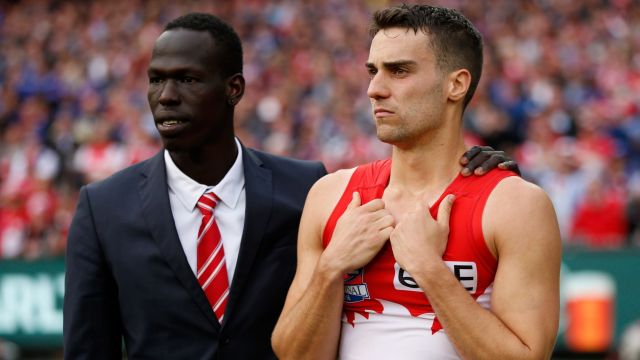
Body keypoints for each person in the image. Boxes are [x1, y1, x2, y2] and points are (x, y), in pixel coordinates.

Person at [63, 12, 517, 360]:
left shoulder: (308, 186)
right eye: (156, 80)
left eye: (186, 79)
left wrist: (480, 167)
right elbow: (88, 348)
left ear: (234, 89)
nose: (166, 96)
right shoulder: (103, 207)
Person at [272, 4, 561, 360]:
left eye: (399, 71)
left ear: (456, 84)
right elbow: (293, 355)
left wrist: (429, 270)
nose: (374, 90)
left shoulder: (515, 206)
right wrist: (331, 268)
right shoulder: (331, 195)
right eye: (373, 71)